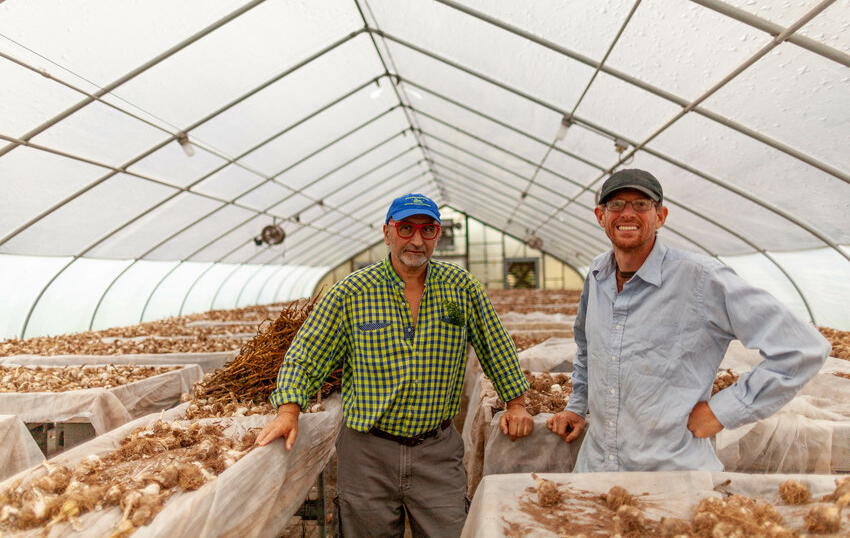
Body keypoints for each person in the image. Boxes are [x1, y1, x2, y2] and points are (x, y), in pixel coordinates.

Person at [257, 192, 533, 537]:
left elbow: (496, 345)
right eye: (406, 228)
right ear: (387, 232)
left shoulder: (461, 287)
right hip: (367, 452)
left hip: (437, 449)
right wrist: (288, 411)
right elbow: (306, 355)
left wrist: (516, 403)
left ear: (437, 235)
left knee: (450, 529)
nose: (417, 240)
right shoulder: (351, 292)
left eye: (428, 230)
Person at [547, 168, 830, 472]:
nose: (627, 213)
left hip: (673, 476)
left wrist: (723, 411)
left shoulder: (701, 279)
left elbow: (803, 347)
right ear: (600, 216)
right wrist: (577, 406)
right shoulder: (597, 274)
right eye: (616, 205)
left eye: (641, 204)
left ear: (661, 215)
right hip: (596, 469)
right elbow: (588, 348)